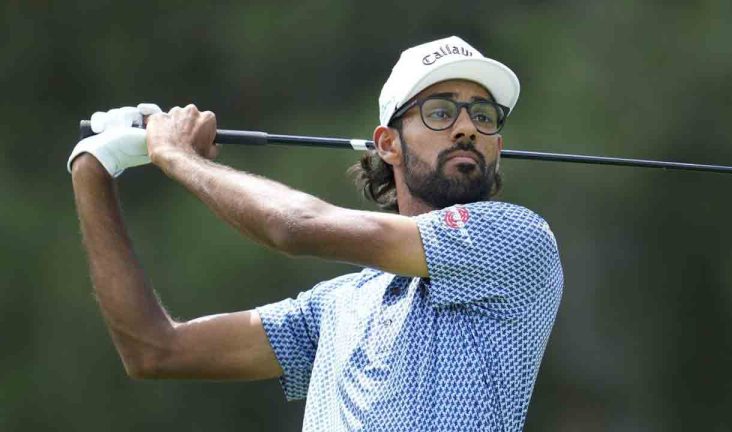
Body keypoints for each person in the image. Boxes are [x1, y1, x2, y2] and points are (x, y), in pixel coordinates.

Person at [68, 36, 563, 431]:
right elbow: (155, 349)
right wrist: (92, 169)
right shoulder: (337, 307)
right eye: (440, 112)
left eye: (483, 116)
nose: (467, 128)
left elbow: (296, 227)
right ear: (388, 144)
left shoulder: (519, 240)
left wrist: (177, 157)